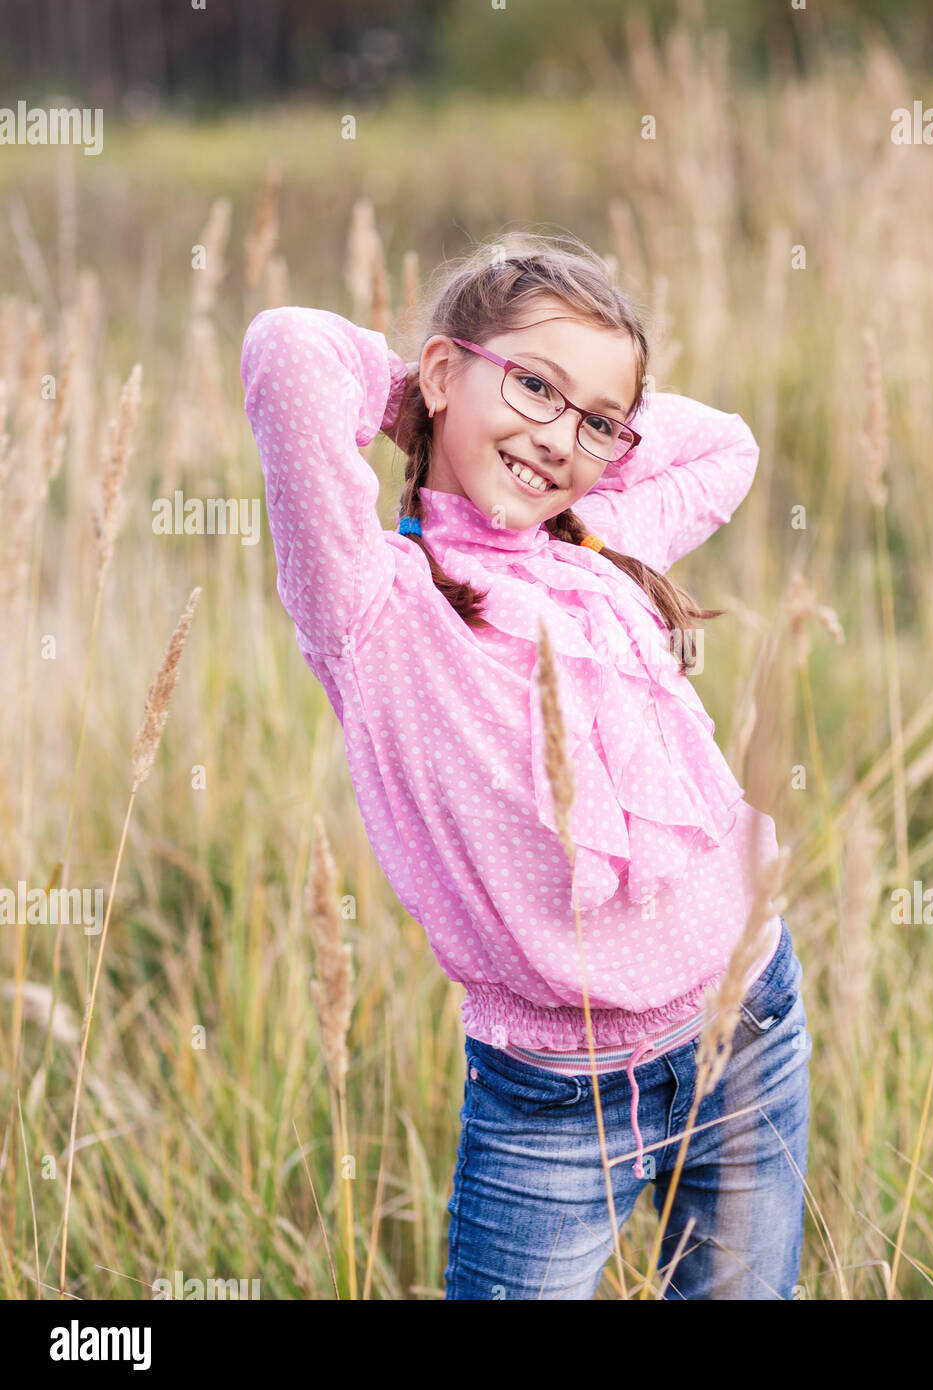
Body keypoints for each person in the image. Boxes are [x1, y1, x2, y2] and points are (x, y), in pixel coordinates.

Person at [239, 232, 811, 1299]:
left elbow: (723, 444)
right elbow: (288, 348)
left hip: (749, 1020)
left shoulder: (596, 535)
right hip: (554, 1092)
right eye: (535, 388)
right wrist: (422, 396)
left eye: (598, 421)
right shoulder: (373, 604)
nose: (559, 437)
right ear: (446, 372)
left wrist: (575, 431)